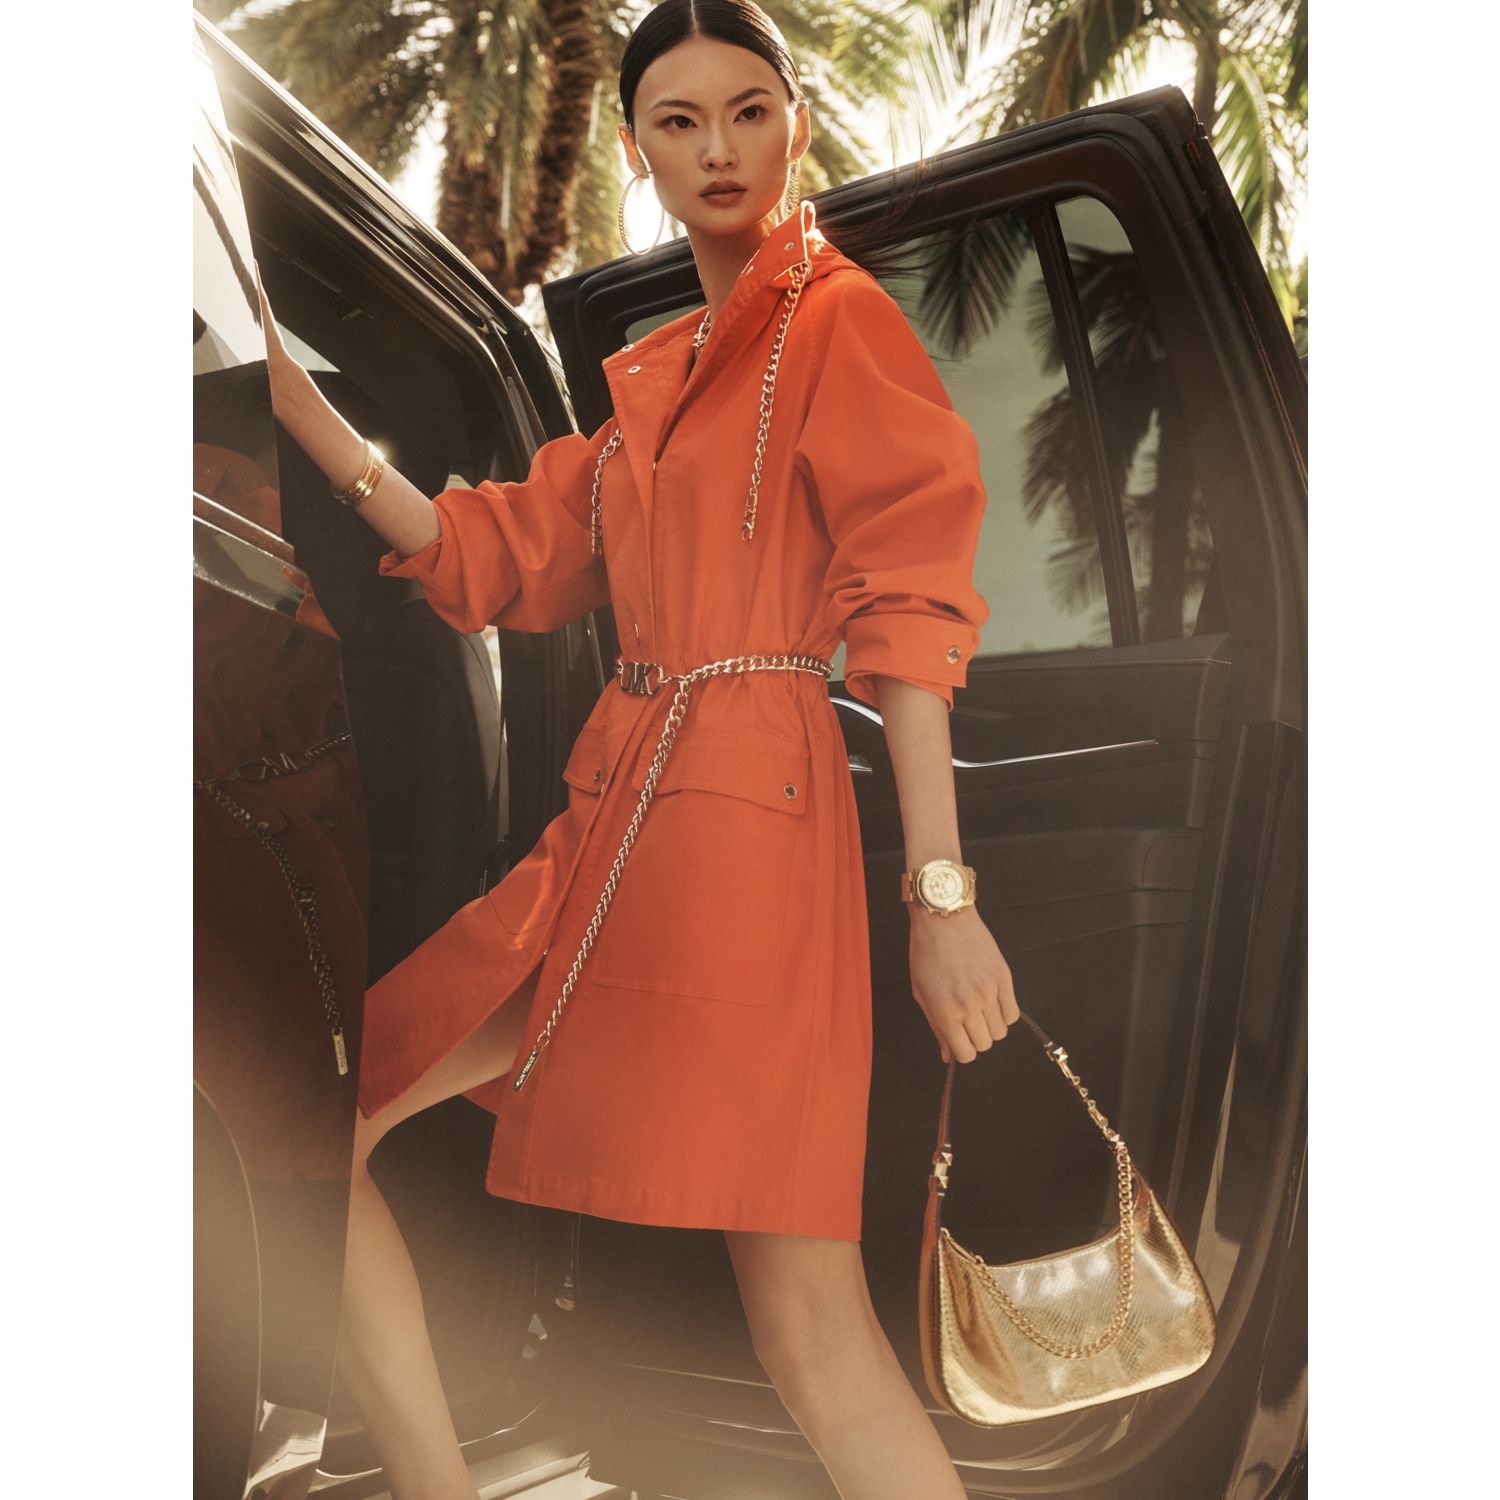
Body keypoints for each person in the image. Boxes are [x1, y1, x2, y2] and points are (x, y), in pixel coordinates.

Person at [257, 2, 1021, 1494]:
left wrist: (943, 898)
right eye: (681, 121)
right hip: (609, 834)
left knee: (807, 1324)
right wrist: (302, 410)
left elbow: (911, 615)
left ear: (797, 126)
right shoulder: (658, 382)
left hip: (753, 842)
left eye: (749, 111)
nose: (719, 148)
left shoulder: (840, 323)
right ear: (637, 151)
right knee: (317, 1121)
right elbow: (497, 551)